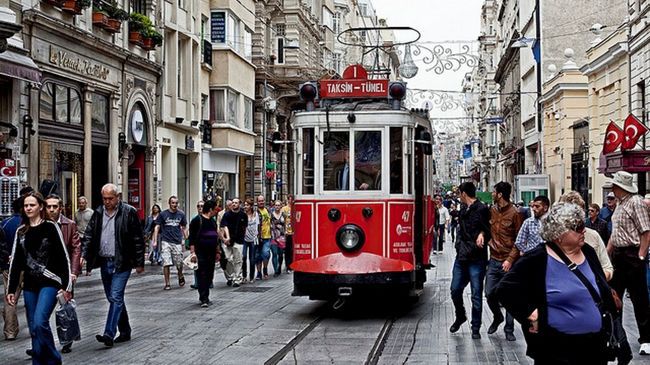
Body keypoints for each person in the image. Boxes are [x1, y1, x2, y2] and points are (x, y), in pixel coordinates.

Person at [496, 202, 622, 364]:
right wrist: (531, 314)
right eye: (577, 227)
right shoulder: (537, 258)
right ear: (558, 233)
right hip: (556, 349)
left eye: (583, 224)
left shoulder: (588, 252)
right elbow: (504, 289)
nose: (583, 230)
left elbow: (600, 286)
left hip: (594, 346)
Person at [6, 192, 72, 364]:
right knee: (34, 329)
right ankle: (38, 362)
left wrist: (67, 286)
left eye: (32, 205)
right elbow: (17, 263)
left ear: (40, 207)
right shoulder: (21, 231)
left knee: (40, 322)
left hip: (50, 283)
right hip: (30, 285)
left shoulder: (50, 227)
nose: (28, 208)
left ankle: (54, 359)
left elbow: (63, 257)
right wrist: (11, 290)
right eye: (26, 205)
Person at [82, 183, 145, 348]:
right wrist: (84, 256)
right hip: (105, 261)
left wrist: (139, 263)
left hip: (122, 262)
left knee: (116, 297)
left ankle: (109, 334)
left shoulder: (128, 212)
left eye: (110, 198)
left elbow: (138, 239)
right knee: (113, 298)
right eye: (105, 198)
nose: (107, 202)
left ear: (118, 197)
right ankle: (125, 330)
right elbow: (89, 235)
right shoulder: (98, 212)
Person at [606, 171, 650, 355]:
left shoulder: (636, 202)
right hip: (618, 254)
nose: (612, 189)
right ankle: (616, 335)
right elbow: (615, 234)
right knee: (613, 297)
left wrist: (640, 256)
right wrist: (606, 254)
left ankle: (646, 339)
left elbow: (646, 231)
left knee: (639, 298)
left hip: (632, 254)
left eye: (614, 186)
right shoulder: (619, 204)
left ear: (621, 187)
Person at [449, 182, 490, 340]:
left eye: (460, 193)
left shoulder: (482, 209)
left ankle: (476, 327)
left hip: (476, 258)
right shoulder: (463, 209)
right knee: (455, 289)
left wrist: (483, 234)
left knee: (476, 295)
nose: (459, 196)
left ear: (464, 193)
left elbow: (488, 229)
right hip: (462, 256)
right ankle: (461, 316)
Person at [45, 194, 82, 353]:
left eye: (55, 206)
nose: (52, 209)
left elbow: (75, 249)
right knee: (42, 313)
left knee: (65, 309)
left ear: (60, 208)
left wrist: (73, 272)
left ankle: (66, 341)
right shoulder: (40, 224)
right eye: (49, 206)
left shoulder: (69, 224)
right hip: (45, 274)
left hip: (64, 274)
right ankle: (39, 343)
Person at [485, 181, 523, 341]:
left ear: (500, 194)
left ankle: (509, 329)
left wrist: (510, 259)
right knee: (489, 293)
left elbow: (519, 240)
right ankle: (497, 316)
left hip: (509, 261)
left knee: (510, 295)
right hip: (494, 259)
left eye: (494, 192)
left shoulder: (515, 213)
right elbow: (485, 229)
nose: (492, 194)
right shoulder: (491, 211)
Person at [559, 191, 614, 281]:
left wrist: (595, 279)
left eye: (580, 214)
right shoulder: (552, 243)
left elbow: (607, 268)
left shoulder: (592, 236)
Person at [153, 196, 188, 290]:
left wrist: (186, 239)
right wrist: (155, 241)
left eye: (176, 203)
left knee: (179, 262)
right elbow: (157, 227)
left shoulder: (181, 214)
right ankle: (167, 283)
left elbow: (184, 227)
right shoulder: (163, 214)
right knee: (166, 262)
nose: (174, 205)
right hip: (166, 241)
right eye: (173, 203)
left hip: (177, 241)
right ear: (169, 203)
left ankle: (180, 275)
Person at [188, 200, 219, 307]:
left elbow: (216, 237)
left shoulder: (213, 221)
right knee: (202, 274)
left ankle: (206, 295)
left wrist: (217, 251)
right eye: (215, 209)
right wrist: (193, 252)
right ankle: (203, 297)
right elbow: (191, 237)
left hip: (211, 253)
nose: (216, 211)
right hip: (200, 252)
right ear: (210, 209)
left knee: (210, 275)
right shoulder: (197, 220)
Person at [220, 198, 248, 287]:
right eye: (233, 203)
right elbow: (223, 227)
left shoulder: (243, 215)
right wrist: (224, 238)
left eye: (236, 203)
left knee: (238, 260)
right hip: (228, 241)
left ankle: (237, 279)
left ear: (239, 204)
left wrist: (244, 237)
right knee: (228, 259)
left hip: (239, 240)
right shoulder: (227, 215)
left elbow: (245, 227)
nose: (234, 204)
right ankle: (230, 276)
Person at [242, 198, 258, 283]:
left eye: (247, 205)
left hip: (253, 239)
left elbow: (258, 225)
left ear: (251, 206)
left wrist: (258, 236)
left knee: (252, 259)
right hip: (244, 239)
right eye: (245, 205)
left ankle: (251, 276)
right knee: (243, 257)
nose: (245, 207)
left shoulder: (256, 215)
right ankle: (244, 276)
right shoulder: (243, 215)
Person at [256, 195, 272, 280]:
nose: (261, 202)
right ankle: (259, 273)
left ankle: (265, 268)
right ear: (257, 202)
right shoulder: (255, 212)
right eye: (259, 201)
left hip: (268, 236)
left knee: (266, 254)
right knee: (258, 255)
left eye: (262, 201)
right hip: (259, 237)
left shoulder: (268, 210)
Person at [190, 200, 204, 290]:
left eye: (202, 206)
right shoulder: (194, 220)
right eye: (198, 206)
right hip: (198, 245)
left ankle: (209, 282)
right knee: (196, 265)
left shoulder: (210, 219)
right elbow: (191, 235)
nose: (200, 208)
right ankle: (197, 282)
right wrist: (192, 249)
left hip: (207, 245)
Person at [270, 200, 286, 277]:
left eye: (278, 205)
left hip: (282, 237)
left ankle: (279, 267)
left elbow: (286, 225)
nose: (277, 207)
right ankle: (276, 270)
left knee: (280, 254)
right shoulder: (271, 215)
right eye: (276, 205)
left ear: (281, 206)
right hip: (273, 236)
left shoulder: (283, 215)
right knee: (274, 253)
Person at [282, 194, 295, 273]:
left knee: (292, 250)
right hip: (287, 232)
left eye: (292, 199)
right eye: (290, 199)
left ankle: (291, 265)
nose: (291, 201)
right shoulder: (284, 209)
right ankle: (288, 266)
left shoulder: (295, 208)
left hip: (293, 232)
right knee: (287, 250)